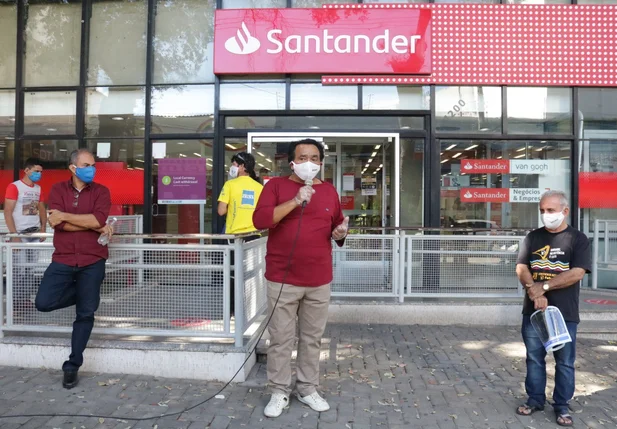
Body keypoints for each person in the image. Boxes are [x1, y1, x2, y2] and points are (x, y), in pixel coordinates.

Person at [253, 139, 349, 418]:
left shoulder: (330, 191)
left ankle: (307, 388)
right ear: (292, 162)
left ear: (321, 162)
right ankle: (279, 391)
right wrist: (295, 200)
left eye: (315, 157)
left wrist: (341, 234)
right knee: (281, 339)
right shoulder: (275, 187)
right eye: (304, 156)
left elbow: (337, 226)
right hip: (283, 278)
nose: (310, 162)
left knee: (312, 339)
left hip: (319, 279)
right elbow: (260, 221)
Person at [34, 149, 113, 389]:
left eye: (93, 165)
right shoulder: (58, 189)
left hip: (93, 259)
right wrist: (93, 225)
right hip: (63, 258)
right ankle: (83, 296)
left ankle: (72, 366)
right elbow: (57, 224)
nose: (92, 169)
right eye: (87, 164)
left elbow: (97, 220)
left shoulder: (101, 191)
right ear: (73, 167)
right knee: (43, 302)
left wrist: (92, 224)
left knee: (85, 314)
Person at [515, 190, 591, 427]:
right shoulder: (533, 237)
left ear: (564, 211)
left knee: (565, 361)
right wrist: (533, 289)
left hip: (565, 313)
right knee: (534, 359)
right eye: (542, 211)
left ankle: (562, 405)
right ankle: (535, 400)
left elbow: (577, 272)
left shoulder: (577, 239)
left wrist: (543, 287)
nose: (545, 215)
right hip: (534, 312)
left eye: (550, 210)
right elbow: (522, 267)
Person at [217, 152, 263, 314]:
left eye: (235, 164)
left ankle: (232, 310)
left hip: (233, 238)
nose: (233, 168)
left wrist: (234, 205)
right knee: (251, 274)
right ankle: (250, 309)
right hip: (254, 238)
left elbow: (221, 211)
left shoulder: (230, 185)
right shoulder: (259, 187)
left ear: (243, 167)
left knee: (231, 275)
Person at [4, 158, 47, 312]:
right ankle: (15, 301)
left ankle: (25, 299)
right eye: (36, 171)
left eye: (41, 172)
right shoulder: (14, 187)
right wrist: (14, 234)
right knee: (19, 269)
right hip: (20, 234)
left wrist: (43, 227)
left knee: (31, 268)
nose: (39, 174)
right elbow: (8, 212)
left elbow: (42, 209)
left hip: (34, 233)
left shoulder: (38, 189)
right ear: (27, 170)